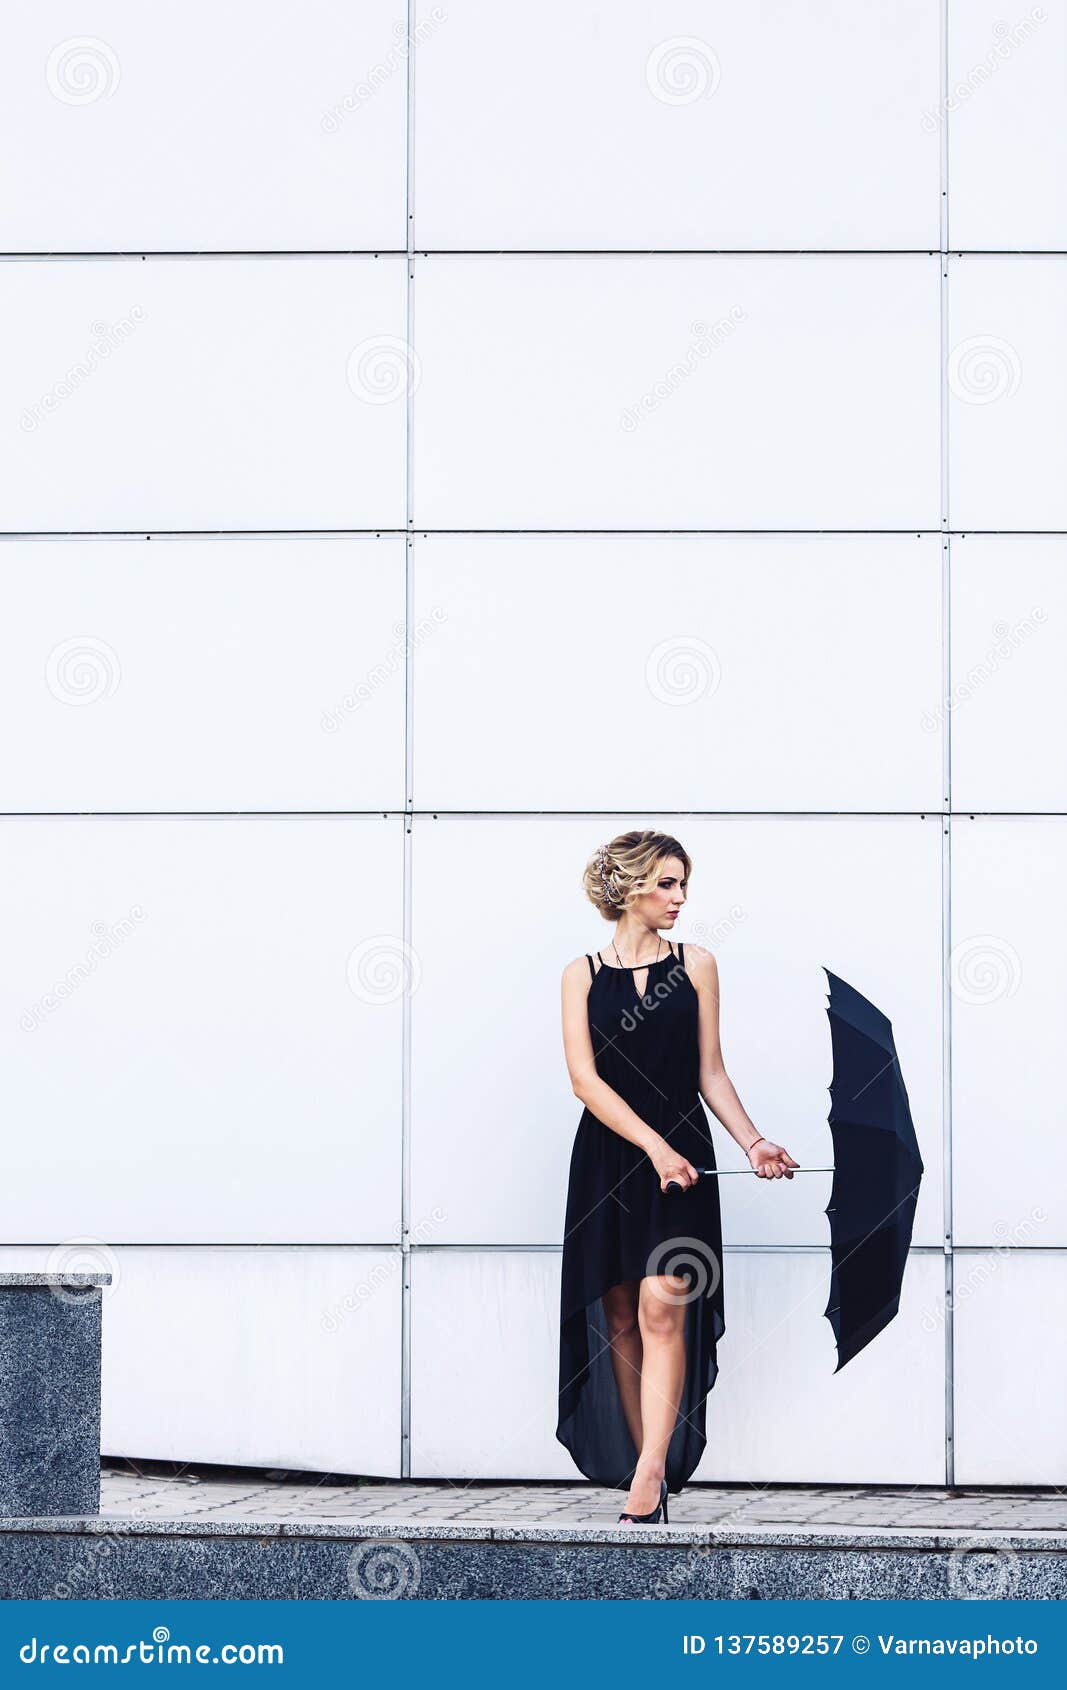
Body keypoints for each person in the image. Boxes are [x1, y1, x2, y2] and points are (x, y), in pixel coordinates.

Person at [556, 829, 798, 1525]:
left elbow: (709, 1071)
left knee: (664, 1303)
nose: (678, 897)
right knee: (619, 1315)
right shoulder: (580, 974)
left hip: (685, 1158)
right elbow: (583, 1081)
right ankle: (646, 1465)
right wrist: (651, 1148)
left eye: (682, 884)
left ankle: (650, 1471)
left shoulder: (697, 964)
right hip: (609, 1157)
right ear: (629, 886)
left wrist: (751, 1142)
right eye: (665, 883)